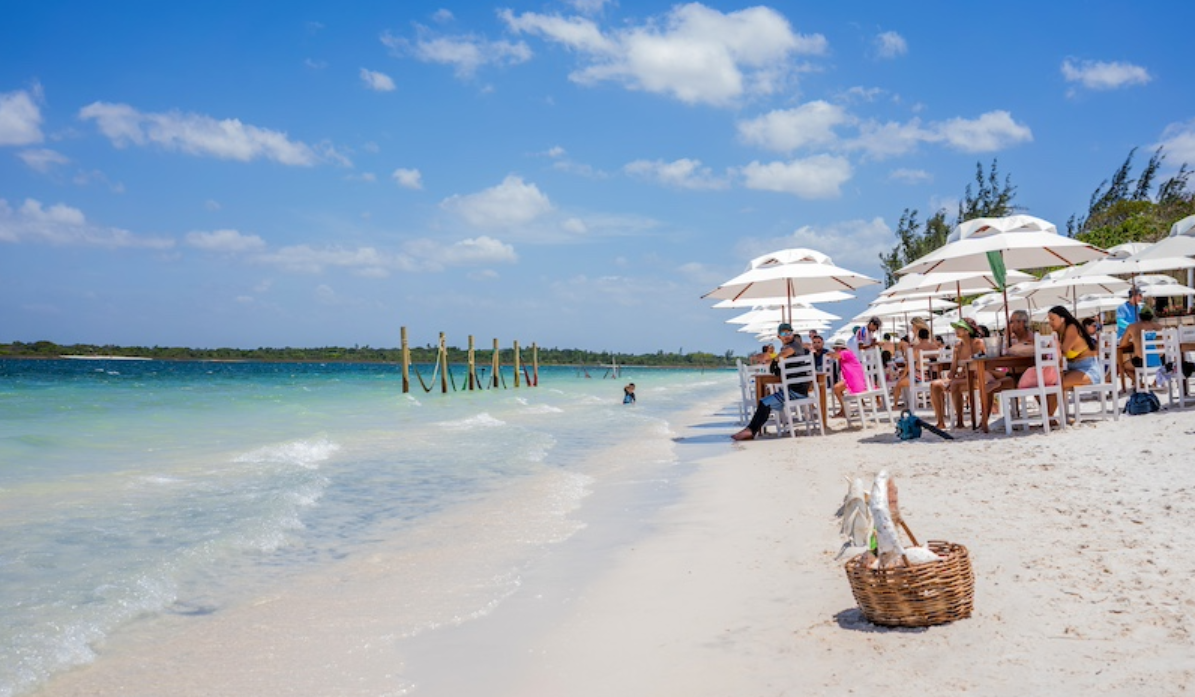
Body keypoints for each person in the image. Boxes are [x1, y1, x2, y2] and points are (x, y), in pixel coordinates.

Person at [731, 323, 809, 441]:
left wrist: (775, 360)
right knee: (765, 402)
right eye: (784, 333)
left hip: (795, 391)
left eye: (789, 333)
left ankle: (751, 431)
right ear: (779, 336)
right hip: (795, 389)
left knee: (764, 402)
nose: (787, 335)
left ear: (793, 333)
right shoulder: (791, 346)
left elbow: (787, 352)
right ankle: (752, 430)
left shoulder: (795, 345)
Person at [929, 318, 993, 429]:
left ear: (967, 331)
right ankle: (940, 421)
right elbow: (953, 369)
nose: (956, 330)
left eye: (960, 328)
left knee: (955, 385)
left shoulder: (978, 343)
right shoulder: (958, 347)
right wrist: (948, 379)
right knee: (934, 385)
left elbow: (981, 366)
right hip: (961, 378)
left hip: (977, 378)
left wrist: (955, 380)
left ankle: (960, 421)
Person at [890, 327, 936, 409]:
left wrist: (903, 376)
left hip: (920, 377)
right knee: (905, 378)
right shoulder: (935, 347)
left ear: (918, 337)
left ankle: (895, 406)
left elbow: (909, 365)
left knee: (899, 384)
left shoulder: (916, 348)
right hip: (933, 376)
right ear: (928, 336)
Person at [1117, 304, 1164, 384]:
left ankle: (1140, 384)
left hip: (1142, 362)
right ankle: (1155, 383)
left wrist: (1134, 341)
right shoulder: (1160, 327)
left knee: (1123, 366)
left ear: (1139, 316)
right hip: (1160, 361)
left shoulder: (1132, 327)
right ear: (1152, 316)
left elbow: (1122, 344)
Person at [830, 338, 868, 420]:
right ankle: (844, 409)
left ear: (841, 348)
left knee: (836, 388)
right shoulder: (847, 353)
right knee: (837, 388)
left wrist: (826, 353)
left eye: (836, 348)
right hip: (855, 379)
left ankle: (844, 410)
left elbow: (835, 356)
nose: (835, 350)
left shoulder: (845, 353)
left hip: (854, 380)